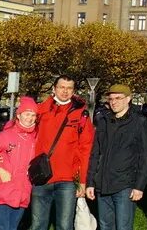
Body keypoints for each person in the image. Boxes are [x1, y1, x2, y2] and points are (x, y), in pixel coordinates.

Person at [31, 75, 95, 230]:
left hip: (67, 179)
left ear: (73, 91)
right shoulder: (41, 110)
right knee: (38, 224)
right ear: (54, 89)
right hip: (42, 176)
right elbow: (20, 128)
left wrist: (82, 181)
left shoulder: (81, 114)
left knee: (65, 225)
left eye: (69, 88)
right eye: (61, 87)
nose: (65, 91)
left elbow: (86, 148)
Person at [86, 84, 147, 230]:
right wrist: (90, 182)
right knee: (105, 226)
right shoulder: (103, 121)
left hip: (125, 185)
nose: (113, 102)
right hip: (103, 184)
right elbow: (95, 153)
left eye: (118, 98)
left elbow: (146, 157)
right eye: (110, 98)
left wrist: (139, 186)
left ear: (128, 99)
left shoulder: (139, 122)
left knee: (123, 226)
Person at [0, 97, 40, 230]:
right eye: (27, 114)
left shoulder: (36, 138)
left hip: (23, 193)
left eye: (33, 115)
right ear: (19, 115)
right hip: (4, 191)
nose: (30, 118)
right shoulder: (7, 135)